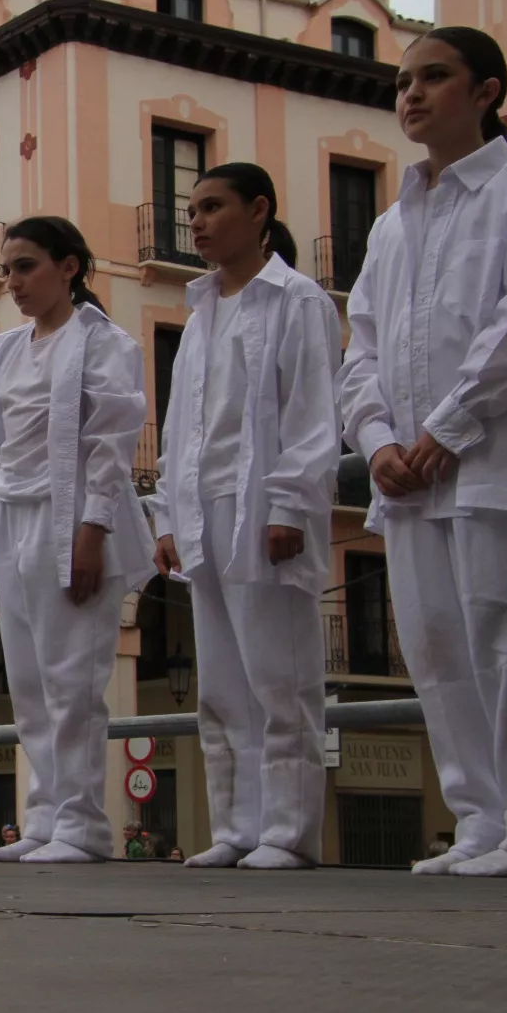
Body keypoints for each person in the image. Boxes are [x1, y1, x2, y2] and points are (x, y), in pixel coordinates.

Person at [339, 27, 507, 880]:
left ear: (486, 92)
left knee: (505, 633)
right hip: (409, 471)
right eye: (402, 81)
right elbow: (362, 349)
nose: (410, 94)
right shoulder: (390, 227)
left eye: (433, 77)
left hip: (497, 453)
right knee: (437, 648)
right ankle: (482, 819)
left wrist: (451, 425)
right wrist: (377, 439)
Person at [148, 162, 340, 871]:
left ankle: (287, 831)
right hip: (203, 508)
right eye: (192, 210)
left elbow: (312, 411)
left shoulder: (297, 300)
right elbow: (180, 427)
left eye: (212, 207)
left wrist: (290, 501)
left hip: (261, 502)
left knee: (280, 677)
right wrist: (167, 517)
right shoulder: (201, 313)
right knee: (223, 684)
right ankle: (237, 825)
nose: (196, 222)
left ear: (259, 211)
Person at [0, 216, 157, 865]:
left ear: (68, 267)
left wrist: (92, 529)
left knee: (72, 679)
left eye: (26, 266)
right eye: (8, 270)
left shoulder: (105, 343)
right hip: (13, 519)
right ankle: (46, 818)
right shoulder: (6, 351)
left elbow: (111, 445)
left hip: (70, 516)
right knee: (28, 682)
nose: (14, 282)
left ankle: (83, 824)